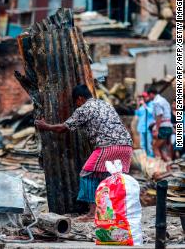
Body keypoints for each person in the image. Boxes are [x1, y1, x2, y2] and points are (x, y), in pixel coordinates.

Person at [35, 84, 133, 222]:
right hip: (127, 146)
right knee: (113, 177)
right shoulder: (105, 104)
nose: (76, 105)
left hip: (108, 146)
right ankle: (116, 211)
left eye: (75, 102)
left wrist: (46, 126)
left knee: (87, 174)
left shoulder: (84, 108)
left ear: (80, 98)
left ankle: (92, 213)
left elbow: (63, 128)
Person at [147, 87, 173, 162]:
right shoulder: (163, 100)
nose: (149, 98)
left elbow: (159, 115)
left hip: (163, 127)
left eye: (149, 96)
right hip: (168, 126)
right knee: (162, 148)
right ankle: (168, 166)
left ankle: (161, 166)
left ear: (151, 94)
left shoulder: (156, 102)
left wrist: (157, 129)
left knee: (155, 147)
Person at [134, 92, 154, 157]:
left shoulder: (152, 104)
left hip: (148, 128)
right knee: (142, 144)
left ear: (148, 97)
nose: (143, 98)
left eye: (145, 97)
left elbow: (151, 112)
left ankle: (151, 158)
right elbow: (138, 114)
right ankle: (144, 158)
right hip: (142, 127)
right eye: (142, 97)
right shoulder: (142, 106)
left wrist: (144, 105)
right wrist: (138, 104)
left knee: (149, 145)